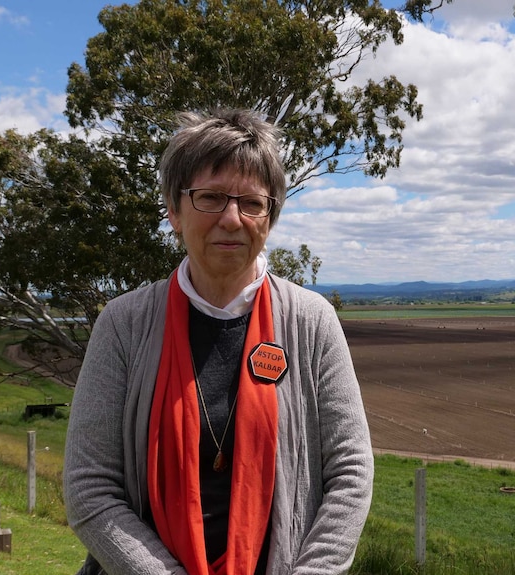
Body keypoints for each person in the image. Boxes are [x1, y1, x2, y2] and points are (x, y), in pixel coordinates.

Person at [63, 108, 374, 575]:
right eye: (210, 198)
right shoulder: (123, 324)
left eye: (252, 203)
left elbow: (350, 473)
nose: (232, 219)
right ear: (173, 209)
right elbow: (90, 489)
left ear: (270, 216)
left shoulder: (313, 322)